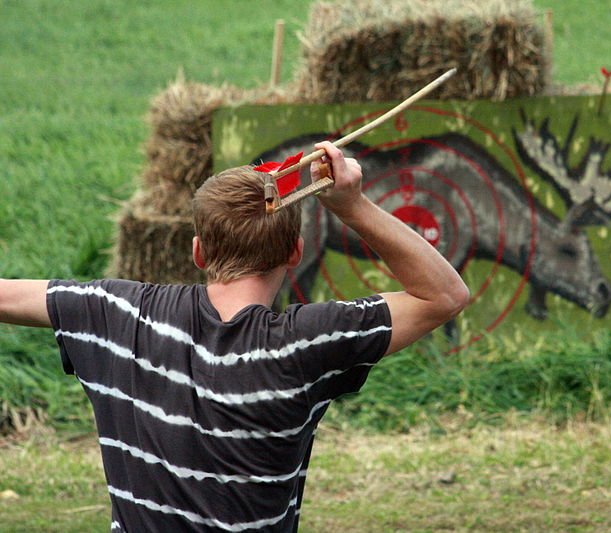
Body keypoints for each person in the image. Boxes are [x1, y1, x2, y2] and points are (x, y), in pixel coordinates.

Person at [0, 141, 469, 532]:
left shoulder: (118, 314)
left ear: (198, 252)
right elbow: (444, 296)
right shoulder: (307, 345)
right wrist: (352, 205)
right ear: (295, 252)